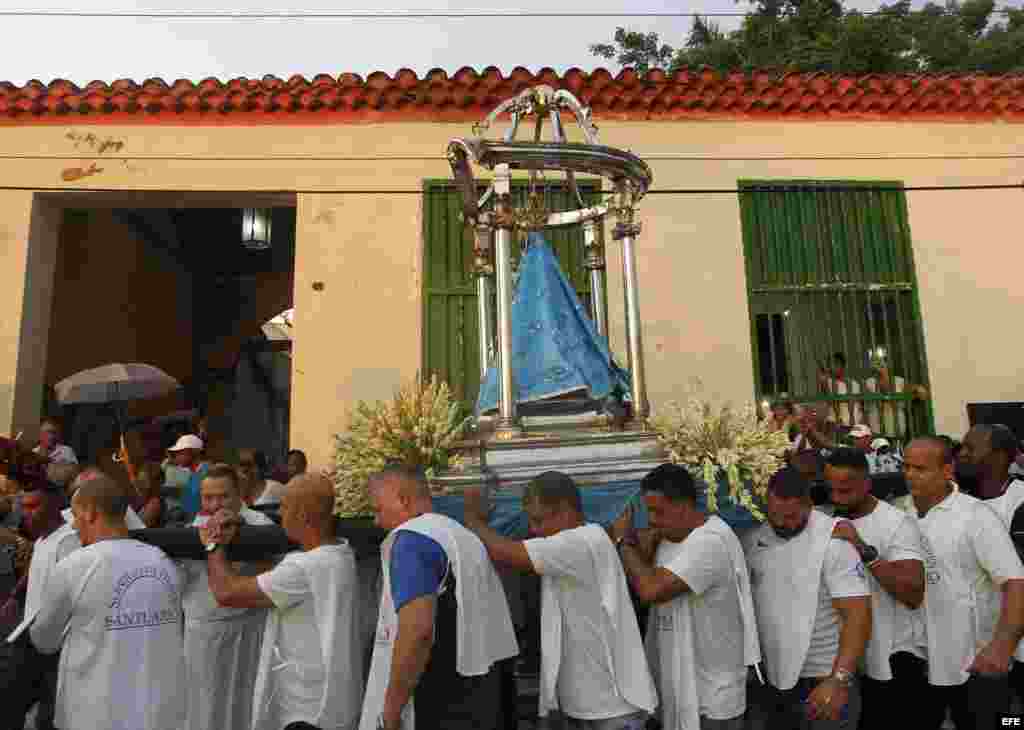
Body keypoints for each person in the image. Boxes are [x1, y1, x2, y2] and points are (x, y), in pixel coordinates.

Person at [463, 470, 657, 730]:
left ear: (565, 512)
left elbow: (505, 553)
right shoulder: (584, 540)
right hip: (586, 706)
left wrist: (472, 518)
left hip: (612, 709)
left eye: (538, 520)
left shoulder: (581, 543)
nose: (533, 529)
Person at [359, 466, 519, 730]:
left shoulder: (412, 540)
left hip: (437, 704)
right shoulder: (460, 535)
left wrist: (390, 711)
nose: (376, 521)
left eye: (377, 509)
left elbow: (418, 632)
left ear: (403, 500)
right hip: (482, 697)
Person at [202, 473, 364, 730]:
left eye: (285, 506)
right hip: (330, 703)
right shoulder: (341, 553)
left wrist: (212, 543)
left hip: (306, 712)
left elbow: (226, 593)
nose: (281, 513)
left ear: (302, 515)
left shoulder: (304, 567)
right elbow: (273, 575)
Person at [29, 474, 186, 730]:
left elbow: (43, 640)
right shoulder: (163, 562)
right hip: (157, 712)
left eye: (76, 517)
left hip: (93, 714)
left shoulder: (74, 567)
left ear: (90, 513)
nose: (74, 526)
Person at [611, 463, 760, 730]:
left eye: (658, 511)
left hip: (712, 702)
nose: (653, 520)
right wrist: (642, 543)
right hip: (680, 689)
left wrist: (623, 541)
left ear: (683, 506)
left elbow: (650, 590)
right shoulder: (671, 536)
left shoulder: (710, 543)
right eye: (649, 512)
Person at [903, 436, 1024, 729]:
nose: (910, 475)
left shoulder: (976, 516)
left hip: (974, 661)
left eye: (920, 469)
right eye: (906, 467)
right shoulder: (899, 513)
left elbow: (1015, 582)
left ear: (947, 470)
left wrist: (1002, 645)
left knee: (998, 724)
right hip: (919, 660)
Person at [744, 467, 872, 729]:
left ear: (809, 504)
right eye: (775, 516)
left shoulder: (834, 542)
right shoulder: (754, 539)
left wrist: (839, 680)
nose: (782, 523)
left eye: (791, 516)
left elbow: (858, 616)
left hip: (824, 677)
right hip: (772, 681)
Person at [824, 448, 926, 730]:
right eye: (831, 489)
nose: (836, 497)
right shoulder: (826, 521)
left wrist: (862, 548)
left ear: (867, 483)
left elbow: (913, 594)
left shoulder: (896, 523)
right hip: (851, 663)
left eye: (845, 490)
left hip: (895, 662)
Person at [179, 464, 275, 730]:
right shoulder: (190, 529)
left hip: (249, 629)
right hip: (204, 635)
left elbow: (273, 573)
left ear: (239, 494)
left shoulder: (261, 525)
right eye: (208, 497)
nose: (215, 504)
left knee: (245, 702)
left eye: (223, 496)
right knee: (204, 704)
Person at [1, 477, 75, 730]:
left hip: (55, 642)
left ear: (54, 507)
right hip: (30, 632)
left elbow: (70, 593)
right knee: (10, 702)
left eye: (34, 507)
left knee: (48, 714)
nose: (26, 514)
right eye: (24, 507)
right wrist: (15, 596)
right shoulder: (44, 539)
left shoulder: (68, 540)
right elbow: (35, 569)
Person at [168, 434, 208, 521]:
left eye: (180, 453)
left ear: (193, 452)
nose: (177, 457)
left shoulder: (208, 472)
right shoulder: (193, 474)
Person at [132, 462, 166, 528]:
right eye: (139, 481)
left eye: (143, 482)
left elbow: (136, 528)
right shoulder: (145, 500)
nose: (139, 485)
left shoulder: (155, 503)